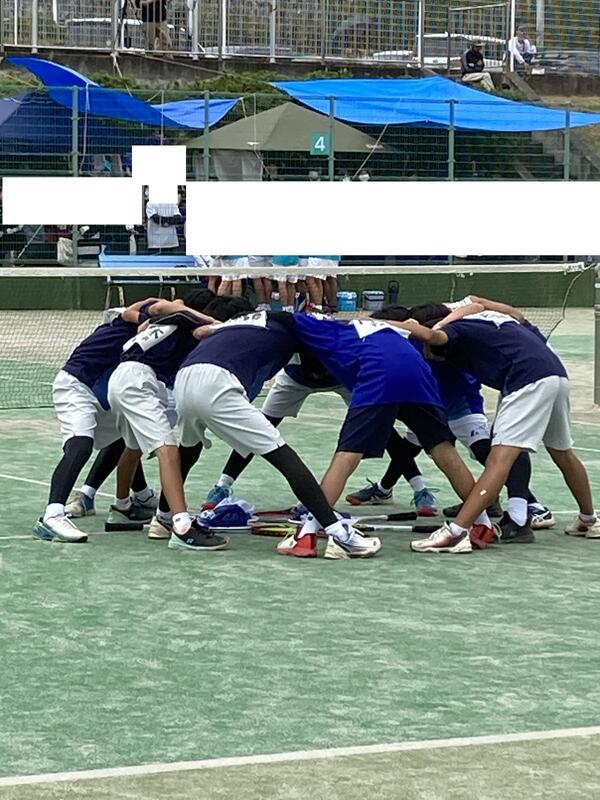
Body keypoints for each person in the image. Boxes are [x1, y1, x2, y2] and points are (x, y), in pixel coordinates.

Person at [391, 300, 599, 554]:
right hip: (556, 375)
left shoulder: (453, 331)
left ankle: (457, 532)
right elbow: (481, 305)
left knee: (498, 459)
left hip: (526, 380)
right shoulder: (490, 318)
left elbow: (432, 336)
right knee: (562, 452)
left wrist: (377, 323)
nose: (426, 351)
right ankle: (588, 519)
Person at [170, 310, 381, 559]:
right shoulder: (297, 329)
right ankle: (340, 534)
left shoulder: (239, 322)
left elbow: (200, 332)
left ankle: (164, 518)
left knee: (188, 448)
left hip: (184, 377)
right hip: (219, 382)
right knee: (284, 457)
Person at [287, 313, 491, 555]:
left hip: (379, 374)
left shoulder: (321, 328)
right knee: (444, 450)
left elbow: (285, 319)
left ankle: (307, 533)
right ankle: (483, 524)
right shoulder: (383, 328)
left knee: (346, 456)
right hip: (419, 374)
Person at [33, 299, 158, 543]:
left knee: (125, 433)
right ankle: (52, 516)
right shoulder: (125, 319)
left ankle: (140, 496)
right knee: (80, 445)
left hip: (103, 394)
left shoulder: (158, 338)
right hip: (76, 385)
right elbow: (141, 309)